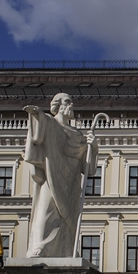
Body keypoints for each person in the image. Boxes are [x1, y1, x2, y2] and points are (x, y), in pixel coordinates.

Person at [24, 93, 98, 257]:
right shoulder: (50, 124)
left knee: (67, 219)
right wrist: (37, 115)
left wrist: (93, 148)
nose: (71, 105)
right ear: (57, 106)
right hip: (51, 177)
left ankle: (67, 250)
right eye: (67, 101)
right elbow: (37, 133)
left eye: (71, 102)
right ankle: (40, 246)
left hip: (71, 182)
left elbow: (87, 168)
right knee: (46, 211)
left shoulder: (78, 135)